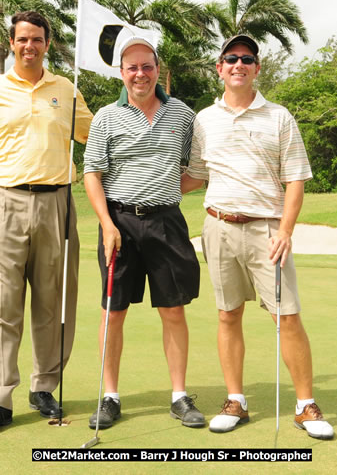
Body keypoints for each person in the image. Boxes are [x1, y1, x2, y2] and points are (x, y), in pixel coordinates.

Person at [0, 11, 93, 437]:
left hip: (58, 203)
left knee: (52, 303)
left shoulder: (67, 90)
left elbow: (96, 138)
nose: (30, 46)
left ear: (47, 43)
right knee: (5, 305)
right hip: (7, 202)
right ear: (11, 43)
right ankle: (0, 398)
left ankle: (44, 387)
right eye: (22, 39)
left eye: (37, 39)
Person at [181, 35, 335, 440]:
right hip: (217, 226)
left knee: (286, 317)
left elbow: (296, 179)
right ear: (219, 68)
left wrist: (285, 230)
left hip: (267, 229)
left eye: (246, 59)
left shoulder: (279, 117)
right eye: (230, 58)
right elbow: (196, 174)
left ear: (257, 68)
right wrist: (142, 186)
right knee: (228, 314)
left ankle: (305, 405)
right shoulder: (204, 119)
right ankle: (236, 400)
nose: (238, 64)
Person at [82, 36, 204, 430]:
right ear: (121, 73)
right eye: (132, 67)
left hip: (167, 221)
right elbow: (92, 174)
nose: (140, 74)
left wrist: (164, 188)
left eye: (147, 66)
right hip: (118, 223)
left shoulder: (183, 115)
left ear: (157, 69)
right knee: (113, 311)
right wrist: (106, 224)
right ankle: (110, 396)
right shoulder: (105, 117)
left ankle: (179, 396)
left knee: (173, 309)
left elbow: (195, 171)